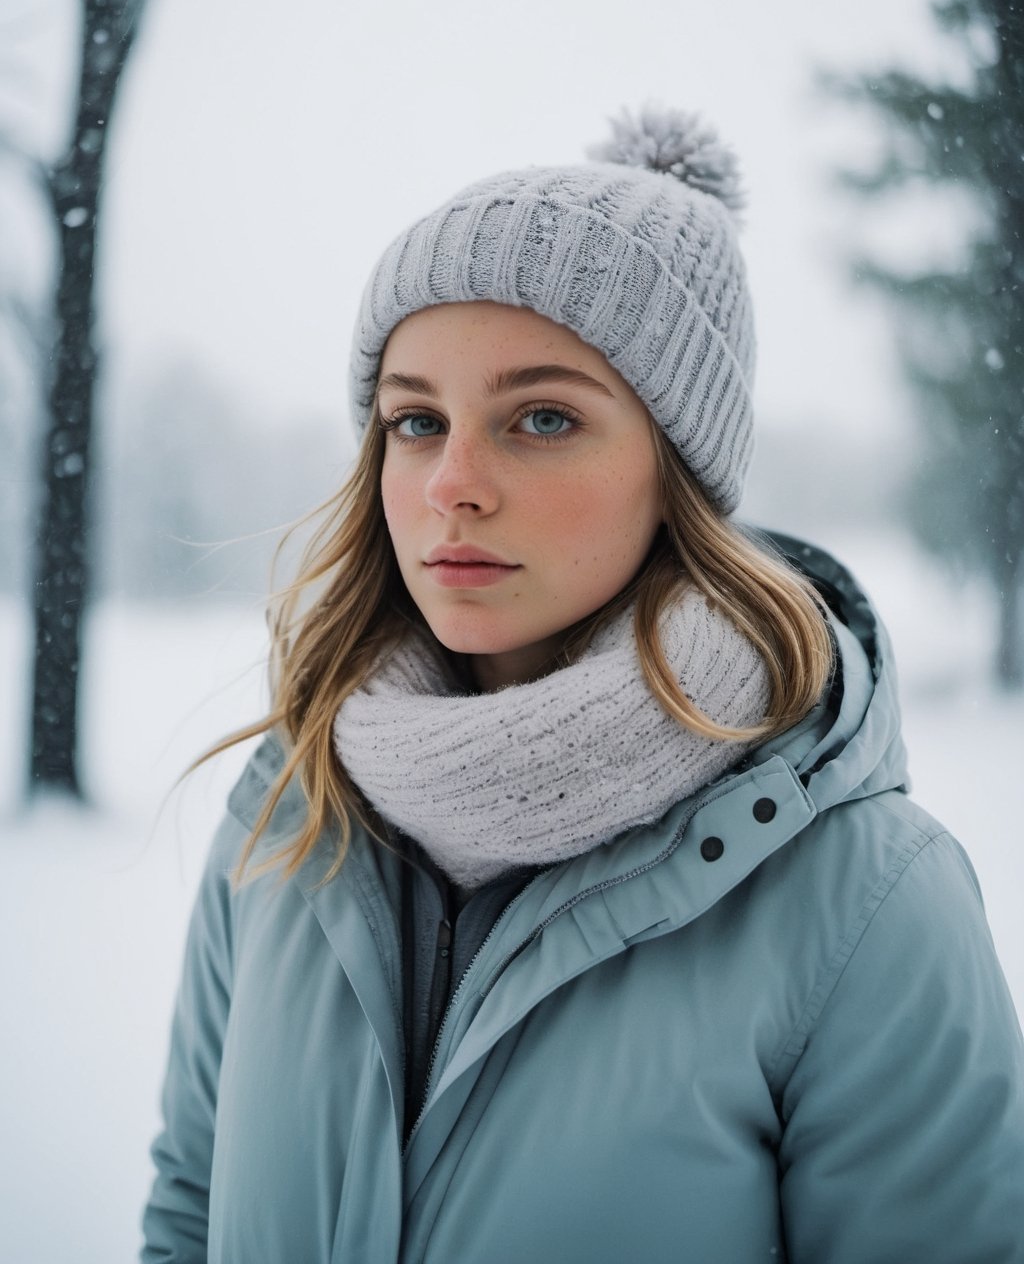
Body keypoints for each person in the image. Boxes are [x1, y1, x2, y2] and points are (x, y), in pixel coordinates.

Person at [140, 105, 1024, 1264]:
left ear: (679, 468)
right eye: (415, 420)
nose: (452, 481)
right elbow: (189, 1214)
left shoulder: (865, 900)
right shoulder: (284, 817)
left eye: (542, 418)